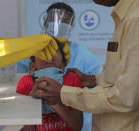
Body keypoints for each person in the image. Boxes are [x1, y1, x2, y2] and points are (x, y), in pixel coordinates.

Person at [31, 0, 139, 131]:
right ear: (32, 66)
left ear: (64, 64)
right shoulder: (131, 16)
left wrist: (62, 94)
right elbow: (124, 78)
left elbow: (127, 97)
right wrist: (93, 80)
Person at [17, 2, 102, 131]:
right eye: (55, 18)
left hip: (72, 122)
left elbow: (99, 83)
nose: (49, 57)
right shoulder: (32, 51)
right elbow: (18, 86)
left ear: (64, 65)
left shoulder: (82, 54)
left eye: (65, 21)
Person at [17, 38, 83, 131]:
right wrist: (31, 103)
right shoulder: (26, 83)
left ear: (63, 65)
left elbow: (77, 126)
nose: (48, 54)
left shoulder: (72, 81)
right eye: (43, 50)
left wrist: (54, 102)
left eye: (55, 50)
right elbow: (21, 127)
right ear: (33, 66)